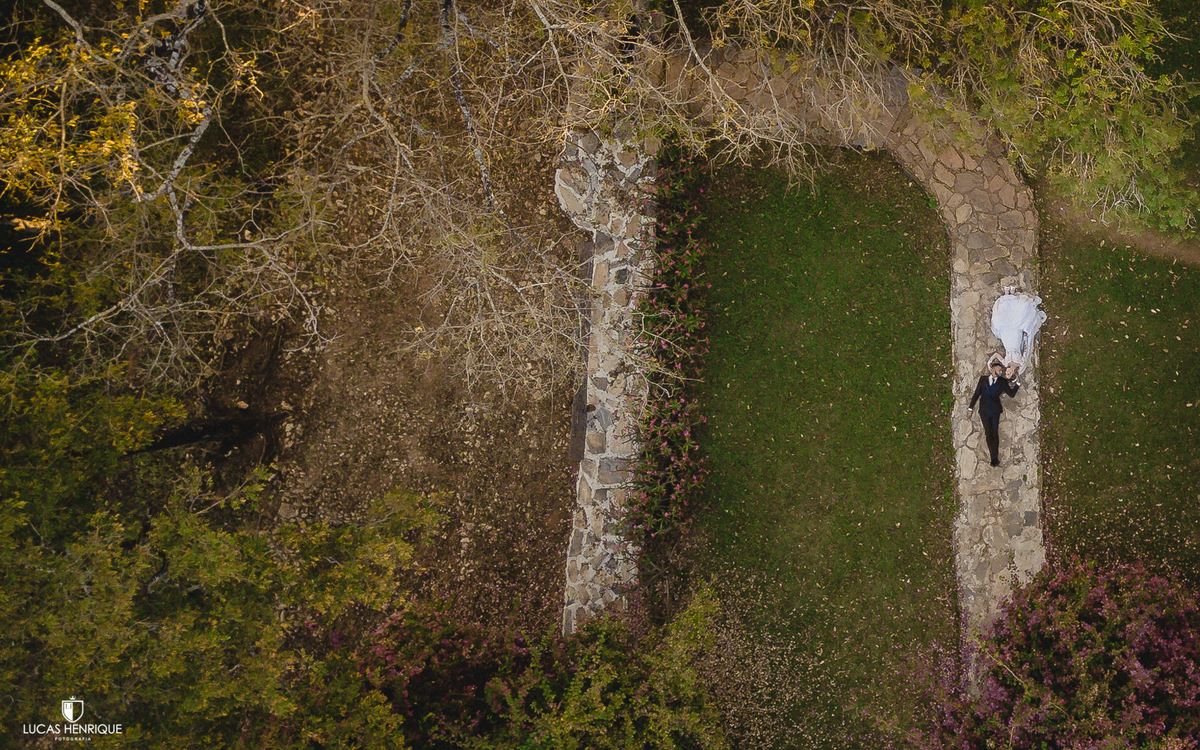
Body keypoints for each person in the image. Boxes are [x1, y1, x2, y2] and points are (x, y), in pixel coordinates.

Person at [968, 359, 1020, 467]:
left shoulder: (1002, 382)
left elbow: (1011, 394)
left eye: (1002, 370)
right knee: (988, 433)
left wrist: (1018, 383)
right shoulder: (983, 380)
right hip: (984, 411)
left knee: (995, 433)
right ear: (993, 368)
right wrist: (970, 409)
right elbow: (976, 394)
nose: (1001, 372)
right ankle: (992, 455)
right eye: (999, 369)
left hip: (995, 411)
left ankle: (994, 458)